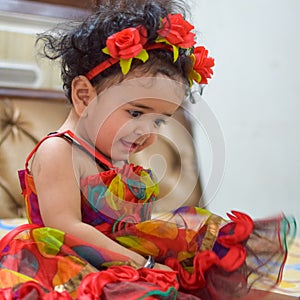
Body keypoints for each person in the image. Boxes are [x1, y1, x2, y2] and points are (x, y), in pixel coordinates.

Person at [0, 0, 296, 299]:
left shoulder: (111, 155)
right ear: (84, 96)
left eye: (159, 121)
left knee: (221, 277)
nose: (147, 131)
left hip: (121, 260)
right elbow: (66, 227)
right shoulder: (58, 150)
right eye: (136, 113)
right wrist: (145, 264)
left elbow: (124, 228)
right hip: (71, 267)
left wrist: (156, 254)